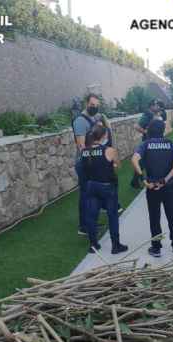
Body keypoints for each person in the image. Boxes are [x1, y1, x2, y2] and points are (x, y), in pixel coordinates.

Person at [132, 120, 173, 257]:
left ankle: (156, 248)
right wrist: (166, 179)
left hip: (152, 187)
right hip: (168, 186)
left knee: (154, 217)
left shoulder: (145, 145)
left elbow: (134, 160)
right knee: (172, 215)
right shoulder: (170, 144)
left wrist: (143, 179)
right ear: (162, 130)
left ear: (150, 130)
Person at [80, 125, 128, 255]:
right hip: (107, 187)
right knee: (112, 216)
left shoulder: (84, 151)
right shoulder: (109, 150)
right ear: (102, 136)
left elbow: (83, 169)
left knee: (91, 216)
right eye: (106, 134)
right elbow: (118, 165)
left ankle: (93, 245)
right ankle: (115, 245)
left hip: (91, 186)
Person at [73, 93, 111, 236]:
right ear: (86, 104)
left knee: (91, 194)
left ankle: (90, 222)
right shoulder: (80, 121)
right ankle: (84, 227)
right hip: (84, 164)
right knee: (85, 195)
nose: (94, 108)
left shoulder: (94, 118)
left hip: (92, 162)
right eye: (92, 105)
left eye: (96, 105)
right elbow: (81, 146)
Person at [132, 99, 163, 188]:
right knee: (142, 162)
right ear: (151, 106)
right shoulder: (147, 115)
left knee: (144, 162)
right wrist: (145, 132)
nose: (158, 107)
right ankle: (135, 181)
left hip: (153, 140)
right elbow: (136, 126)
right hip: (147, 141)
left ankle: (135, 181)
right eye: (156, 105)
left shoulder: (153, 114)